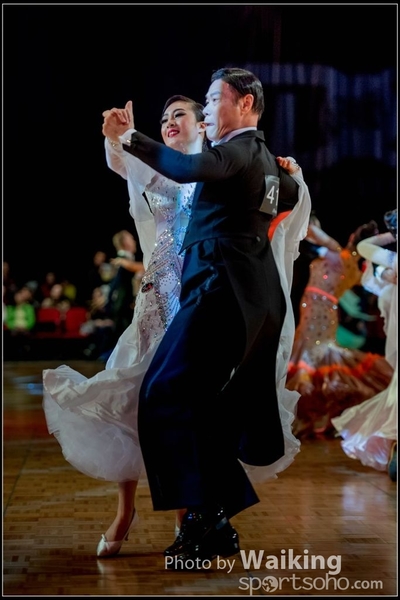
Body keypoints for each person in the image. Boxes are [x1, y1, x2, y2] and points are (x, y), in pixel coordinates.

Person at [102, 67, 309, 568]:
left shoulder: (236, 150)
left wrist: (131, 136)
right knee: (197, 406)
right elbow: (289, 195)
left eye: (215, 98)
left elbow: (185, 168)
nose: (210, 106)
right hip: (246, 297)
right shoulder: (258, 159)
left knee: (162, 392)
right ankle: (207, 523)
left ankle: (207, 520)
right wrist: (285, 174)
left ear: (245, 104)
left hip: (220, 291)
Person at [42, 95, 207, 558]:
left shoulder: (210, 171)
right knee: (127, 400)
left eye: (180, 115)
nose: (169, 122)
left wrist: (129, 139)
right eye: (164, 117)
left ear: (203, 125)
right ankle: (125, 510)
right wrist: (118, 139)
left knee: (182, 411)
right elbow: (125, 165)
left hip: (195, 305)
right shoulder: (158, 168)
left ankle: (185, 516)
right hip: (153, 303)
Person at [286, 218, 394, 440]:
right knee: (313, 354)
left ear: (353, 238)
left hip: (318, 311)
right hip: (321, 310)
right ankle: (320, 417)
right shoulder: (354, 266)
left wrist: (302, 217)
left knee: (312, 355)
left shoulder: (338, 254)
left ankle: (313, 415)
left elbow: (313, 232)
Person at [332, 208, 397, 481]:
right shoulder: (393, 262)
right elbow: (363, 248)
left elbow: (364, 246)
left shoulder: (393, 262)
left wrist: (390, 235)